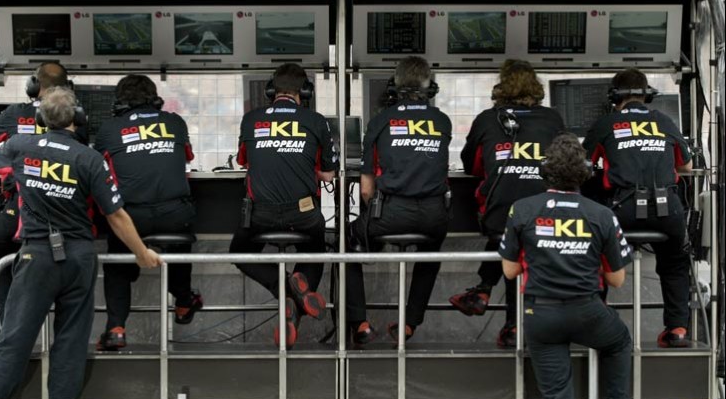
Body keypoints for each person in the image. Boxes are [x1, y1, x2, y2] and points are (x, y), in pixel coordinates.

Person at [0, 87, 162, 399]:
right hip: (79, 259)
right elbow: (116, 215)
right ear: (77, 119)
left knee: (13, 343)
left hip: (36, 257)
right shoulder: (89, 157)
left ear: (40, 119)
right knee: (70, 346)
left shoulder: (22, 147)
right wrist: (141, 252)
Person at [500, 134, 634, 399]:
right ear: (584, 173)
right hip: (588, 311)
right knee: (620, 341)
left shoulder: (522, 209)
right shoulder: (602, 214)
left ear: (545, 171)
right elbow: (617, 280)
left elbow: (510, 271)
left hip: (541, 314)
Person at [449, 60, 564, 348]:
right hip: (547, 212)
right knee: (521, 233)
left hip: (499, 213)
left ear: (502, 86)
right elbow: (567, 163)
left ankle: (491, 296)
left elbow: (471, 165)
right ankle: (511, 320)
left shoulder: (488, 119)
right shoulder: (552, 119)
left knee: (510, 229)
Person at [345, 56, 452, 344]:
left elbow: (366, 190)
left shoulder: (380, 122)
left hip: (390, 214)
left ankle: (360, 324)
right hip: (434, 216)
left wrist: (373, 226)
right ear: (431, 88)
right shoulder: (442, 121)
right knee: (431, 249)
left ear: (394, 87)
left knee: (347, 241)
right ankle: (410, 322)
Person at [583, 68, 693, 347]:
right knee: (675, 264)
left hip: (624, 210)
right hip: (669, 210)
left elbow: (581, 167)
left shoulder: (606, 123)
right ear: (647, 95)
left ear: (613, 96)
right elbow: (686, 166)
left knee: (595, 254)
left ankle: (599, 321)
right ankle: (678, 329)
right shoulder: (665, 121)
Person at [229, 63, 336, 347]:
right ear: (305, 91)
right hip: (303, 214)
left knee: (239, 252)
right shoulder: (317, 121)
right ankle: (295, 291)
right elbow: (328, 174)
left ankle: (285, 292)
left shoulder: (251, 120)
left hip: (260, 214)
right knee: (314, 251)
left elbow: (243, 161)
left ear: (271, 91)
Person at [94, 74, 202, 350]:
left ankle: (115, 328)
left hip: (131, 218)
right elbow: (187, 156)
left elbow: (100, 169)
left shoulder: (108, 129)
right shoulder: (175, 122)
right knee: (180, 234)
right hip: (175, 215)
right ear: (156, 100)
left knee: (118, 255)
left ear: (118, 103)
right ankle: (183, 302)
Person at [0, 62, 87, 315]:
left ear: (33, 86)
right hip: (67, 218)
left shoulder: (15, 113)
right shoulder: (76, 121)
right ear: (68, 89)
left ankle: (3, 317)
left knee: (1, 241)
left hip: (21, 215)